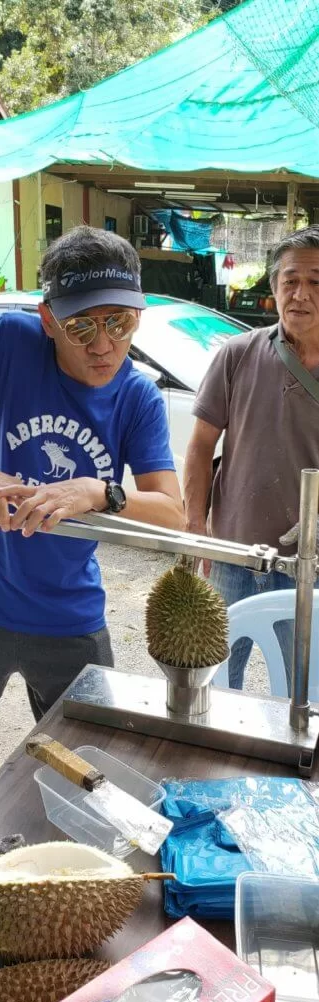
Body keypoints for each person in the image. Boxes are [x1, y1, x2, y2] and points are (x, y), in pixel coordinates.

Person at [0, 225, 185, 846]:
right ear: (48, 319)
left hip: (67, 615)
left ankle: (70, 880)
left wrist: (98, 491)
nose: (103, 344)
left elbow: (172, 511)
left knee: (92, 772)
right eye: (83, 326)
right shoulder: (9, 342)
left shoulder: (136, 396)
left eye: (120, 323)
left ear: (139, 315)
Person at [184, 225, 319, 691]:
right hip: (232, 554)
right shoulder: (237, 354)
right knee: (214, 682)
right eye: (290, 280)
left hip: (309, 564)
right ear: (274, 286)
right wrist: (195, 530)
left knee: (303, 687)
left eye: (316, 282)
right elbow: (201, 445)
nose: (300, 294)